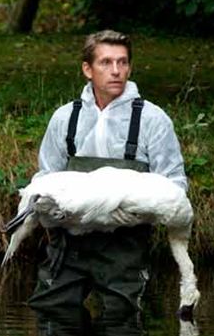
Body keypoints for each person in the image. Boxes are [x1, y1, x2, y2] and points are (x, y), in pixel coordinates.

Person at [26, 29, 188, 312]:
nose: (116, 71)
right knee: (50, 316)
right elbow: (45, 178)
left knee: (122, 329)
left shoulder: (152, 119)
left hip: (124, 248)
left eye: (123, 62)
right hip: (68, 245)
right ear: (87, 69)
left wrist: (128, 211)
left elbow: (175, 188)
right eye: (106, 63)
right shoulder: (65, 118)